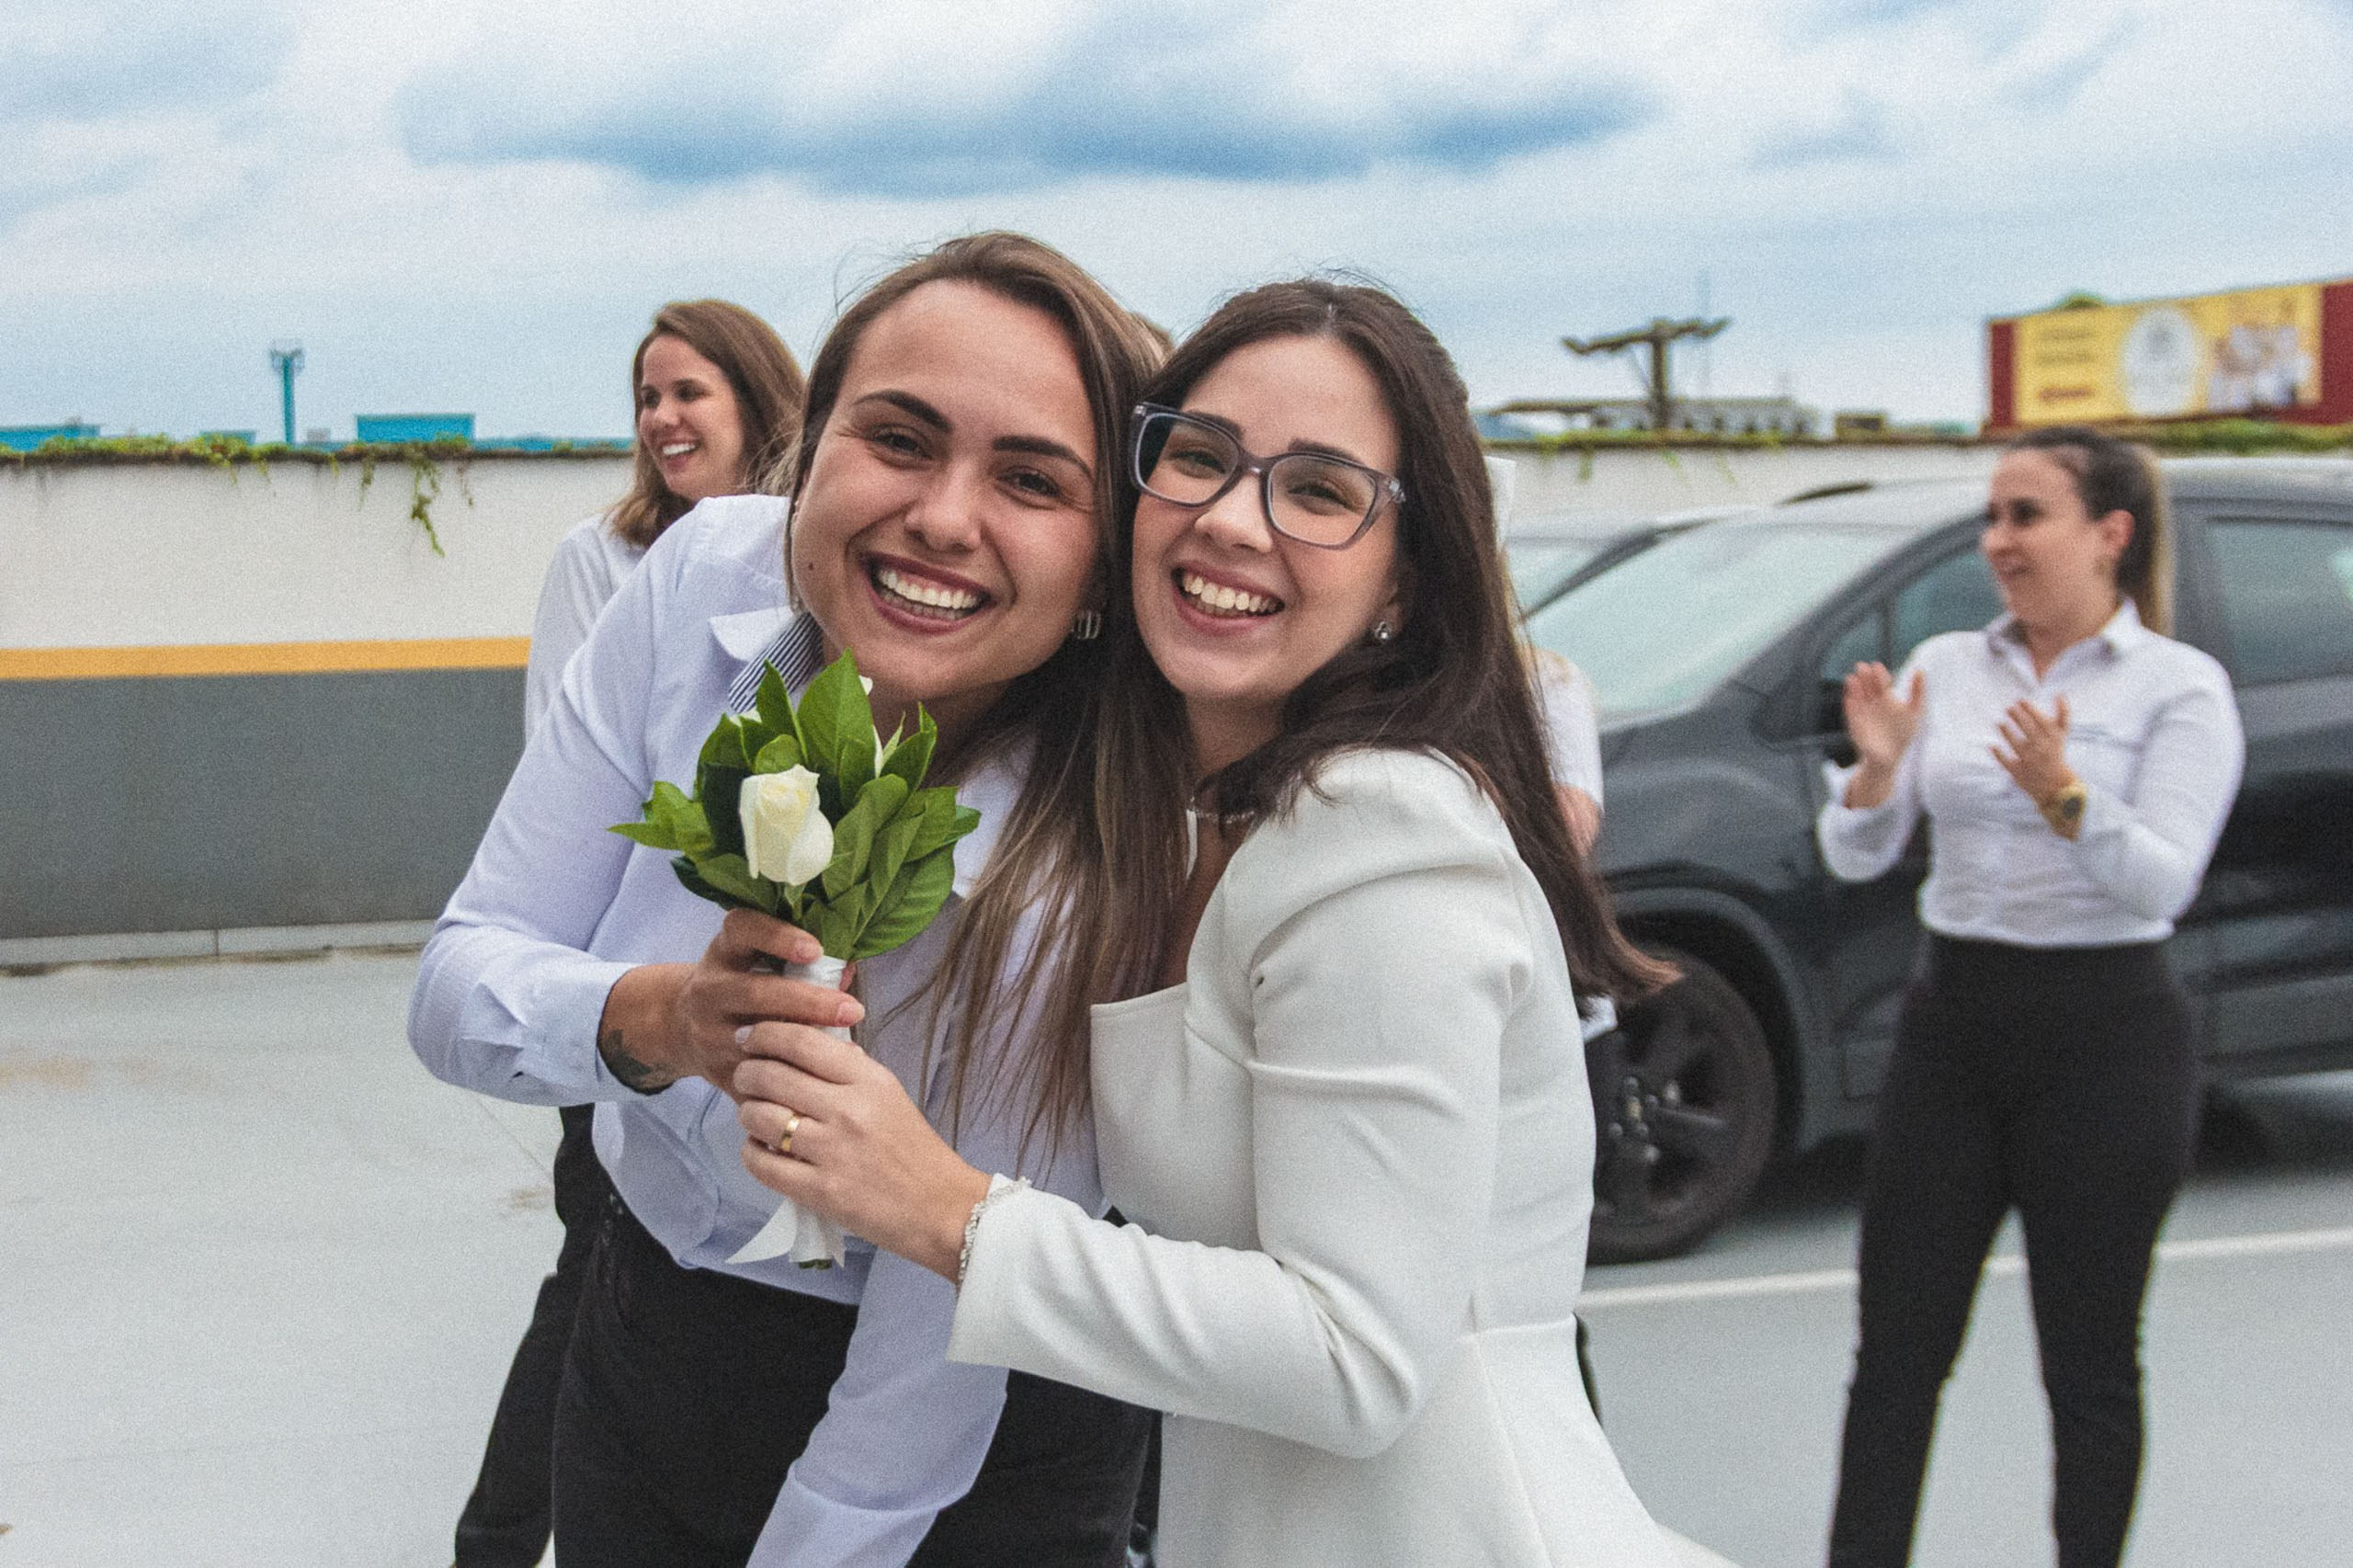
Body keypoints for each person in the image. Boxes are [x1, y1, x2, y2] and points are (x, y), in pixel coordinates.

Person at [731, 280, 1705, 1566]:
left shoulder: (1380, 835)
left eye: (1317, 490)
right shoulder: (1192, 823)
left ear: (1405, 577)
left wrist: (948, 1211)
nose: (1234, 521)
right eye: (1199, 459)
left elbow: (1354, 1357)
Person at [412, 233, 1169, 1568]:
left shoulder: (1104, 825)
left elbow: (930, 1364)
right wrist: (660, 1018)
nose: (943, 514)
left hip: (978, 1425)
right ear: (807, 446)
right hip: (646, 1329)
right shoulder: (698, 580)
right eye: (898, 436)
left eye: (1032, 479)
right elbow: (457, 986)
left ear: (1105, 559)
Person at [1814, 426, 2244, 1567]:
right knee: (1896, 1351)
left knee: (2089, 1357)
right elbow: (1857, 856)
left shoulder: (2177, 686)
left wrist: (2064, 795)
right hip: (1951, 1027)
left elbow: (2161, 878)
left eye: (2025, 515)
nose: (1996, 540)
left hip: (2108, 1038)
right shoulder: (1949, 666)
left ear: (2109, 534)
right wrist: (1874, 771)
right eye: (1991, 516)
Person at [453, 298, 805, 1568]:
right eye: (647, 396)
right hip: (624, 989)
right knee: (600, 1267)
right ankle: (496, 1539)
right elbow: (575, 785)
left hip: (774, 986)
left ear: (758, 405)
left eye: (689, 392)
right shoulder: (602, 561)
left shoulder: (810, 567)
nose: (662, 418)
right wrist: (645, 1000)